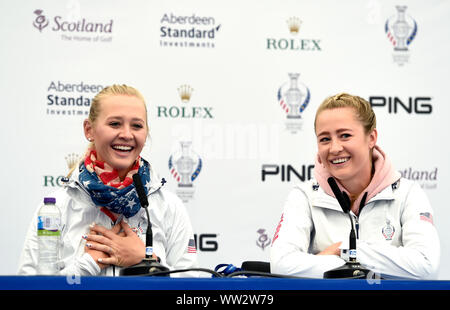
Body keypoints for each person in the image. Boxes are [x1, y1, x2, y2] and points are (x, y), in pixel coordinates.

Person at [18, 84, 198, 276]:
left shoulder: (169, 207)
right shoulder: (57, 208)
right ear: (89, 130)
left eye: (136, 125)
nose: (127, 135)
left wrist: (147, 261)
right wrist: (88, 264)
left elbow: (190, 287)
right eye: (114, 124)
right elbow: (28, 284)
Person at [270, 93, 440, 279]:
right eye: (325, 139)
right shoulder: (304, 195)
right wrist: (377, 265)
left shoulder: (408, 193)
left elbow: (426, 265)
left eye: (345, 135)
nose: (334, 148)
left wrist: (345, 250)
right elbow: (281, 265)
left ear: (371, 138)